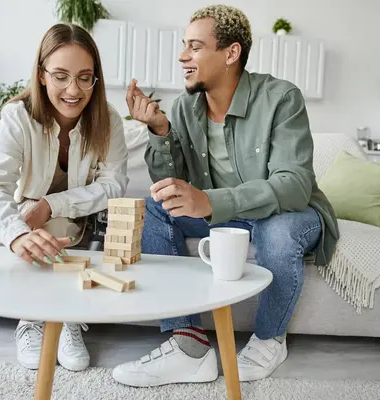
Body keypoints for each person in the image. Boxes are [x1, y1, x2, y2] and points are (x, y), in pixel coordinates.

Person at [112, 5, 339, 387]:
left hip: (288, 213)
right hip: (229, 217)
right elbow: (174, 186)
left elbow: (295, 185)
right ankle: (187, 345)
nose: (183, 56)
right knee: (155, 208)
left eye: (195, 47)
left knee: (278, 231)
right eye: (184, 46)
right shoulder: (185, 108)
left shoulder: (281, 98)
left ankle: (270, 338)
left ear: (231, 53)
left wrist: (213, 202)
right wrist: (159, 130)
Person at [0, 23, 129, 372]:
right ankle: (31, 319)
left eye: (84, 77)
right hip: (24, 221)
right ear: (41, 75)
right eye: (60, 76)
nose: (73, 90)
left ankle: (66, 317)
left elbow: (114, 184)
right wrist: (17, 233)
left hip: (80, 225)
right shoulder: (17, 117)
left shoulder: (109, 121)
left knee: (56, 220)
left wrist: (50, 205)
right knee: (31, 218)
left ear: (95, 79)